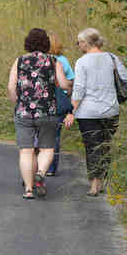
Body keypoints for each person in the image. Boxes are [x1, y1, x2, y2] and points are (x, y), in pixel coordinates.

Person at [65, 28, 127, 196]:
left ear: (86, 43)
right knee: (106, 145)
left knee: (92, 147)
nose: (78, 45)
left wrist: (71, 110)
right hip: (111, 110)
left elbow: (79, 89)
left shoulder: (82, 62)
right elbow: (126, 77)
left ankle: (94, 184)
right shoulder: (112, 58)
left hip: (88, 112)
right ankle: (102, 181)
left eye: (78, 42)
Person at [8, 28, 69, 199]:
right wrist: (71, 87)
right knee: (47, 148)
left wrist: (18, 104)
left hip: (24, 112)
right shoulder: (53, 60)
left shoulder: (19, 61)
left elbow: (11, 87)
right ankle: (41, 173)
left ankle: (28, 189)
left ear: (28, 42)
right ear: (46, 43)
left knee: (26, 151)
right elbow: (63, 85)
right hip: (47, 112)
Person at [44, 34, 75, 176]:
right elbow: (71, 82)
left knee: (39, 135)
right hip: (59, 101)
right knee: (55, 136)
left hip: (43, 101)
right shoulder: (63, 60)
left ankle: (39, 165)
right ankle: (51, 167)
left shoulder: (39, 60)